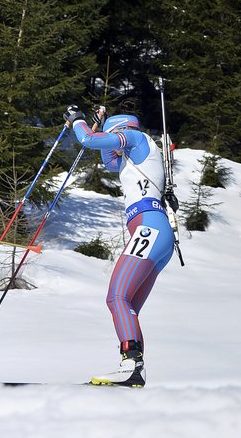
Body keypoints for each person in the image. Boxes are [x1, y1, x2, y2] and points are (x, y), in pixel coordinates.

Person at [65, 105, 176, 387]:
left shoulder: (137, 139)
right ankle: (133, 368)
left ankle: (131, 367)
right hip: (153, 231)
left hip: (149, 227)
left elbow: (89, 141)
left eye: (113, 139)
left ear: (122, 131)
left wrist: (78, 121)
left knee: (117, 297)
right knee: (127, 307)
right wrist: (98, 126)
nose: (114, 145)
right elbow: (109, 161)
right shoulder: (132, 157)